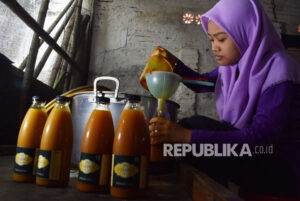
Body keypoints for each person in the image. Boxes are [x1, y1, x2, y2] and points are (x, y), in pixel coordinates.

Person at [140, 0, 300, 198]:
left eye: (221, 39)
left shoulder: (280, 69)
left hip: (279, 167)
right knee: (190, 134)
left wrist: (186, 137)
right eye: (211, 40)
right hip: (250, 157)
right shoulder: (232, 68)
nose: (215, 47)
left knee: (193, 128)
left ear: (246, 32)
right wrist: (172, 63)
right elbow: (205, 83)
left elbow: (261, 140)